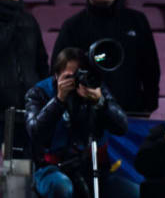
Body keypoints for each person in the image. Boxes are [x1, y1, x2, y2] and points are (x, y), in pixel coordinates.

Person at [25, 47, 136, 198]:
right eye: (70, 77)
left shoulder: (95, 87)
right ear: (56, 76)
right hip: (51, 169)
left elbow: (122, 127)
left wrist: (100, 102)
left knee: (134, 192)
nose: (77, 81)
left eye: (80, 75)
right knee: (61, 187)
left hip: (92, 170)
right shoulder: (39, 92)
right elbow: (35, 133)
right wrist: (58, 100)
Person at [52, 0, 159, 115]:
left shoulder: (137, 21)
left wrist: (149, 105)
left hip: (131, 111)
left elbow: (151, 67)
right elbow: (58, 69)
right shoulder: (72, 26)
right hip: (86, 112)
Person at [0, 0, 48, 150]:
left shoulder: (28, 20)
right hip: (1, 116)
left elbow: (41, 63)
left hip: (28, 115)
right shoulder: (17, 19)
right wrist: (12, 18)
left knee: (25, 174)